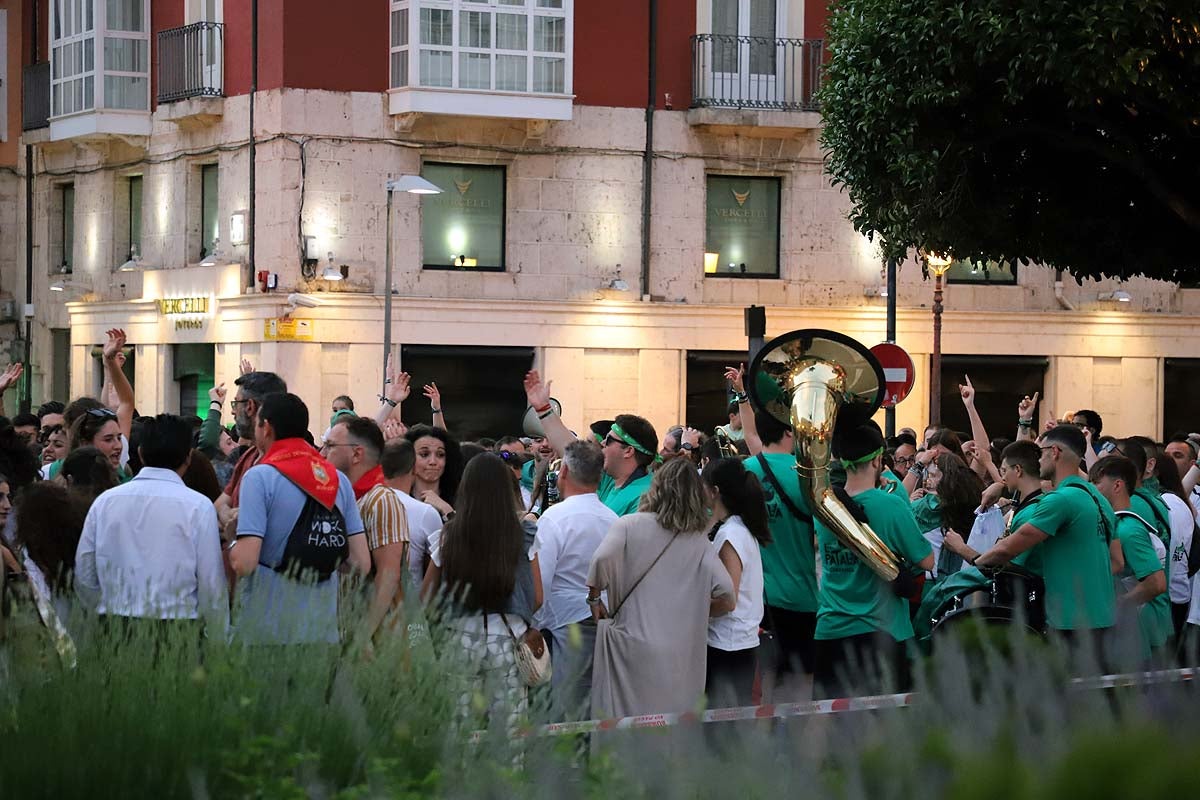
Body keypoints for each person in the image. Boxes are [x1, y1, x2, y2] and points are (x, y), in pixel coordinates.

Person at [587, 458, 735, 720]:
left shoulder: (629, 525)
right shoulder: (698, 541)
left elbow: (599, 561)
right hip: (680, 651)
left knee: (626, 720)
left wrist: (595, 598)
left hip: (630, 642)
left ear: (656, 487)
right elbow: (727, 594)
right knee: (670, 724)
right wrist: (699, 609)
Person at [228, 392, 369, 645]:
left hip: (266, 634)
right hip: (323, 635)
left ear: (266, 427)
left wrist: (232, 539)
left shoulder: (259, 478)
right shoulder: (338, 481)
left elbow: (245, 564)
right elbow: (361, 563)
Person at [74, 415, 228, 637]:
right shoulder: (198, 506)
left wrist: (104, 612)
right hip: (178, 631)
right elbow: (211, 584)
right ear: (188, 457)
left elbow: (85, 573)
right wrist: (217, 639)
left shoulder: (105, 502)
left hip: (114, 626)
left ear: (140, 453)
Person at [813, 421, 934, 699]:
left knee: (832, 723)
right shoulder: (890, 504)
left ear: (841, 460)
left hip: (831, 628)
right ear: (879, 459)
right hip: (883, 631)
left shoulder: (825, 505)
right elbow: (926, 560)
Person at [976, 425, 1120, 652]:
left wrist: (974, 564)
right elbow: (1117, 561)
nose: (1038, 460)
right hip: (1104, 617)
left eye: (1041, 452)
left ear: (1054, 452)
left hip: (1069, 623)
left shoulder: (1059, 500)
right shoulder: (1099, 499)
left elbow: (1007, 550)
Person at [424, 453, 541, 730]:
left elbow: (427, 597)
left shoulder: (450, 534)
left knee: (459, 727)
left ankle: (462, 774)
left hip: (460, 634)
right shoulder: (525, 533)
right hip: (509, 636)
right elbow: (537, 597)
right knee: (509, 730)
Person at [529, 440, 616, 718]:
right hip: (604, 621)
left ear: (563, 471)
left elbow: (539, 582)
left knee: (566, 710)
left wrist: (534, 627)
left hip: (563, 627)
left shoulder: (555, 518)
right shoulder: (613, 518)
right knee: (596, 705)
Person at [322, 415, 409, 645]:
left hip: (375, 642)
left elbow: (388, 576)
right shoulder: (345, 498)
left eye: (330, 446)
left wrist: (363, 637)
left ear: (357, 454)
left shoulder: (381, 499)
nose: (322, 453)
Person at [522, 370, 659, 517]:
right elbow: (570, 448)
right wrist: (543, 409)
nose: (603, 444)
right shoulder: (612, 479)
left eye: (610, 440)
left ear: (628, 451)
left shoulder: (646, 495)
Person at [702, 457, 769, 708]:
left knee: (721, 732)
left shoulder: (732, 534)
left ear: (714, 491)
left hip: (728, 644)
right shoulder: (733, 527)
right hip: (733, 642)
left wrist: (692, 609)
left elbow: (728, 600)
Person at [1090, 455, 1169, 663]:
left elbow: (1157, 583)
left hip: (1142, 634)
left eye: (1096, 482)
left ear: (1117, 485)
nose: (1092, 489)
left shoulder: (1128, 529)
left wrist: (1119, 604)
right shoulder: (1119, 523)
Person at [215, 369, 288, 538]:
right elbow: (218, 504)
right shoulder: (249, 456)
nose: (233, 412)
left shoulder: (284, 466)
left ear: (250, 406)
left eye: (236, 404)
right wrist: (228, 515)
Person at [381, 439, 444, 587]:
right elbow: (438, 569)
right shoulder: (426, 513)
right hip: (413, 607)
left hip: (363, 606)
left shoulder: (362, 503)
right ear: (414, 468)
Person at [1149, 451, 1195, 638]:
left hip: (1169, 596)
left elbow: (1173, 549)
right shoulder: (1175, 500)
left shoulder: (1168, 503)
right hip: (1174, 594)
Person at [404, 424, 463, 524]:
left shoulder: (461, 500)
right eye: (424, 454)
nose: (433, 461)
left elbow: (467, 537)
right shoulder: (398, 500)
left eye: (440, 455)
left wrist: (447, 510)